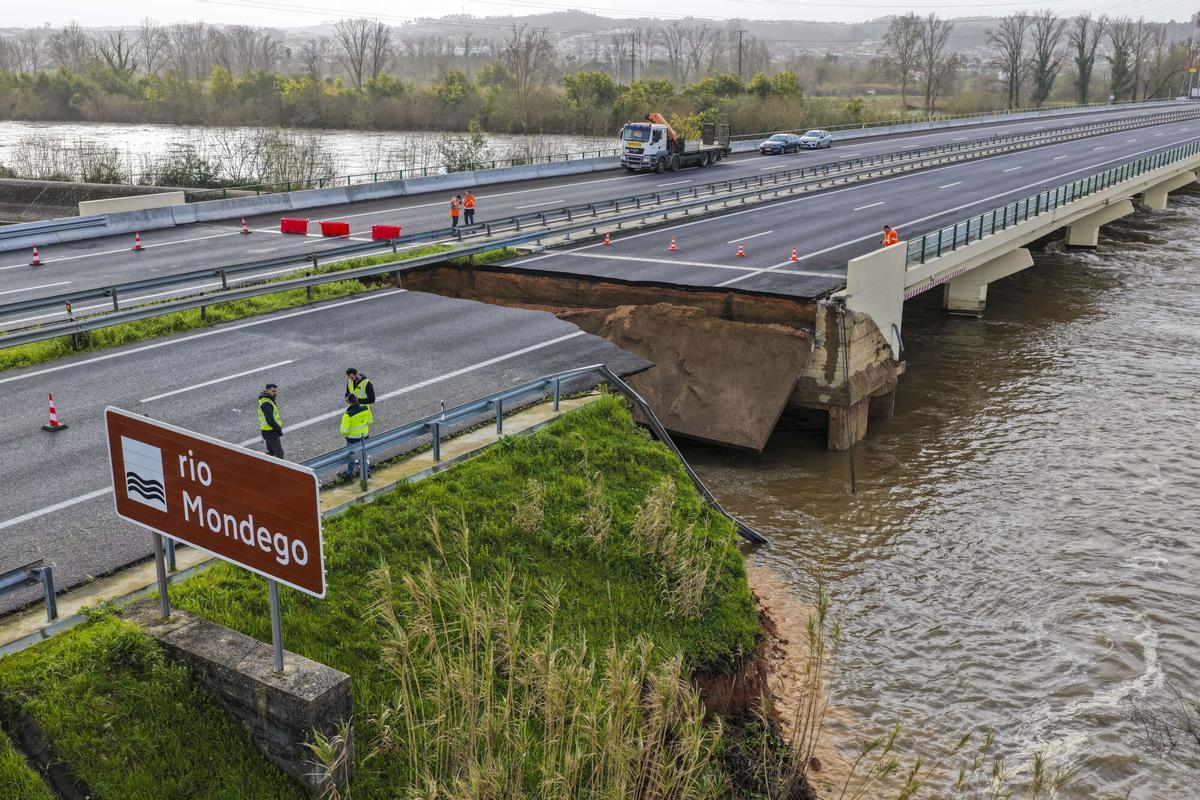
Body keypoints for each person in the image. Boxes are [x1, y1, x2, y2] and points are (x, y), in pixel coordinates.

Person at [339, 393, 373, 479]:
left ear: (348, 401)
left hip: (352, 440)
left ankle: (349, 473)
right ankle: (367, 471)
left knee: (351, 456)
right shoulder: (366, 408)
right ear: (357, 400)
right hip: (365, 437)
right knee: (364, 455)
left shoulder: (348, 415)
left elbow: (344, 432)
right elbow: (370, 421)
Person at [258, 383, 284, 458]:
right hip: (271, 432)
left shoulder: (266, 400)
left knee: (271, 453)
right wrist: (278, 428)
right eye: (273, 391)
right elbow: (270, 420)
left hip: (267, 431)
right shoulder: (266, 403)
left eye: (276, 391)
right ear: (267, 390)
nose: (275, 393)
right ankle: (281, 468)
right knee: (279, 453)